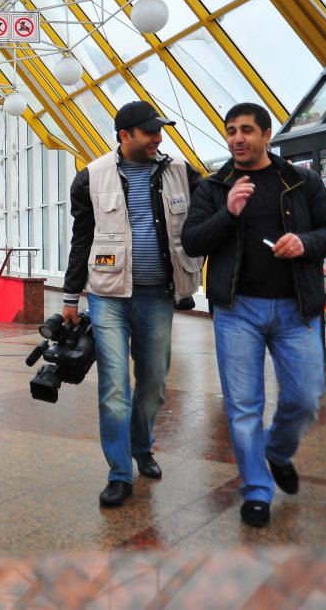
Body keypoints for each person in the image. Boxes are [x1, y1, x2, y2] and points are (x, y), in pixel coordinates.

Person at [181, 102, 326, 528]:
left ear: (267, 135)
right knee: (244, 406)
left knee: (305, 400)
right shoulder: (215, 187)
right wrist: (228, 212)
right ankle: (256, 489)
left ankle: (277, 452)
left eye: (247, 130)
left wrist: (305, 243)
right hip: (238, 311)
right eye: (231, 131)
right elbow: (193, 241)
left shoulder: (301, 181)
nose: (237, 138)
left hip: (296, 309)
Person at [62, 100, 203, 509]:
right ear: (125, 136)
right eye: (150, 132)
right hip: (108, 296)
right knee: (114, 387)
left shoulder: (178, 171)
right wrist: (71, 297)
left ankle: (142, 445)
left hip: (158, 294)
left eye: (159, 131)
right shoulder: (90, 177)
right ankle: (119, 472)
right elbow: (81, 240)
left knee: (155, 383)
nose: (158, 138)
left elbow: (212, 207)